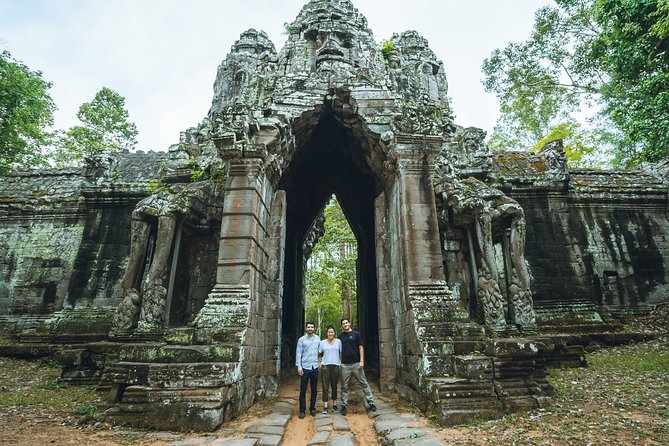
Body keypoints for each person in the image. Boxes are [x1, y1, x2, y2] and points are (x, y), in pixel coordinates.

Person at [338, 318, 376, 416]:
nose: (345, 324)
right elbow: (338, 349)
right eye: (343, 323)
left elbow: (361, 347)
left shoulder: (356, 334)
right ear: (342, 326)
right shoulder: (340, 336)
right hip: (345, 364)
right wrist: (339, 362)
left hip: (356, 363)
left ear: (349, 324)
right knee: (344, 386)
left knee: (364, 383)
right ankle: (343, 405)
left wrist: (361, 361)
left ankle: (371, 403)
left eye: (346, 323)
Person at [296, 321, 320, 418]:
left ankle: (312, 409)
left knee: (314, 389)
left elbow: (320, 350)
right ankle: (302, 410)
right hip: (305, 367)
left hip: (314, 367)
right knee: (303, 390)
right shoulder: (301, 340)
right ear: (306, 328)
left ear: (314, 328)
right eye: (308, 327)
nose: (310, 328)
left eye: (312, 327)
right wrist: (299, 366)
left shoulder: (318, 339)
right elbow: (298, 353)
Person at [318, 325, 342, 414]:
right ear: (327, 333)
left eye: (332, 332)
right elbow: (318, 353)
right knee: (325, 386)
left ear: (334, 333)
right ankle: (325, 406)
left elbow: (342, 351)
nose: (330, 333)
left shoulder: (338, 342)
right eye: (329, 332)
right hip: (325, 366)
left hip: (335, 365)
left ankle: (335, 405)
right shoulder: (322, 342)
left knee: (334, 385)